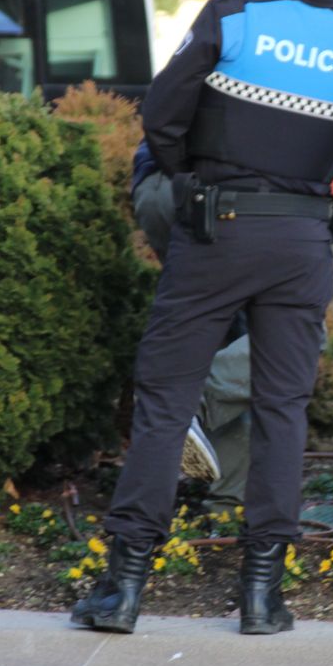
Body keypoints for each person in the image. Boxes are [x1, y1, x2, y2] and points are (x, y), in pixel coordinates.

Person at [71, 0, 333, 636]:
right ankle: (261, 596)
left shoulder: (234, 15)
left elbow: (162, 115)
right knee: (282, 411)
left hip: (220, 228)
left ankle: (122, 589)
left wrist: (195, 183)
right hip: (305, 241)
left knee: (164, 401)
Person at [130, 139, 250, 512]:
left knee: (225, 330)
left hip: (159, 184)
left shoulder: (192, 78)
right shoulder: (275, 79)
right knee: (299, 331)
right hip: (217, 192)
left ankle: (229, 502)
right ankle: (186, 405)